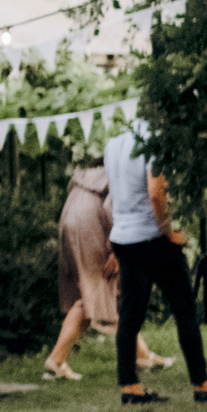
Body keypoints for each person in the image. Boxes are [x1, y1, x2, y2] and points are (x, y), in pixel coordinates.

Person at [106, 121, 207, 405]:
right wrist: (168, 231)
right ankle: (202, 384)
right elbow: (156, 192)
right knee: (184, 310)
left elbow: (115, 196)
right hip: (152, 239)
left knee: (129, 315)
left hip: (123, 238)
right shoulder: (154, 143)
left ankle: (129, 386)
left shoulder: (112, 145)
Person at [44, 161, 173, 379]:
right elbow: (112, 206)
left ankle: (140, 354)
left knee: (95, 293)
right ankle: (56, 360)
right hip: (90, 224)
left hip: (69, 220)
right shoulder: (123, 171)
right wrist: (115, 248)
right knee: (97, 292)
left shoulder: (89, 175)